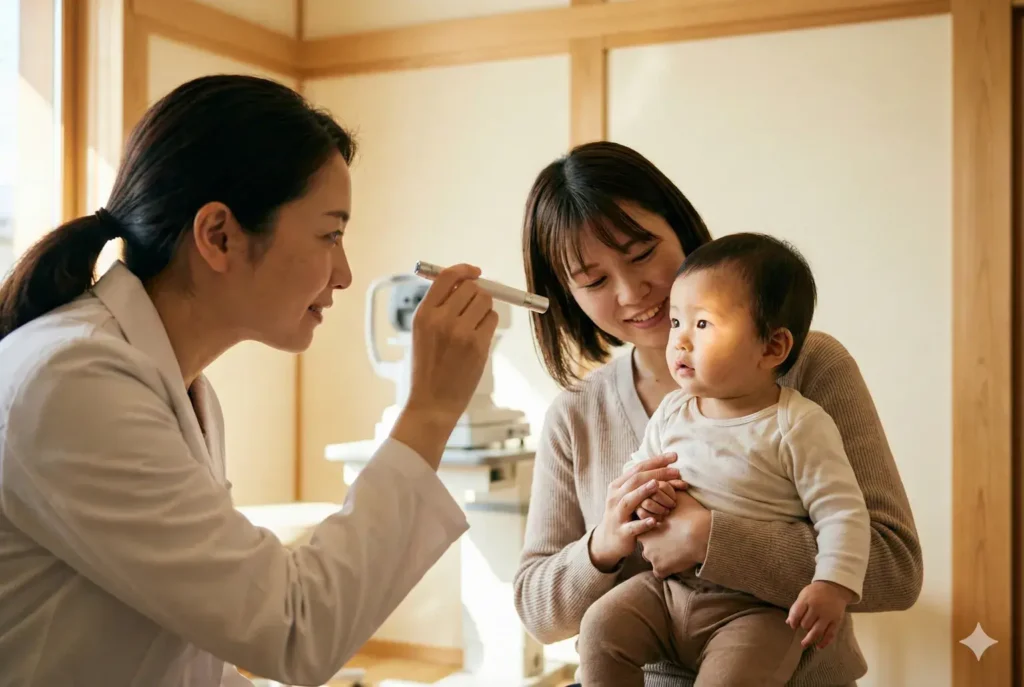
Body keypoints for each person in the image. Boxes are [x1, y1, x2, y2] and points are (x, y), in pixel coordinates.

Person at [0, 75, 499, 687]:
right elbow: (294, 630)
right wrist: (428, 411)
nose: (343, 274)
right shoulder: (73, 381)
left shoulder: (176, 385)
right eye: (330, 234)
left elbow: (190, 654)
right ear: (219, 235)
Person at [513, 141, 922, 687]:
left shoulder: (808, 367)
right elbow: (539, 613)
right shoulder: (575, 415)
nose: (633, 292)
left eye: (640, 254)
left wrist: (714, 541)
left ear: (681, 228)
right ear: (567, 296)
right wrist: (604, 544)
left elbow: (895, 569)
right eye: (593, 281)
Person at [575, 233, 871, 686]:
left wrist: (832, 584)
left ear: (772, 348)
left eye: (703, 325)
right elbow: (641, 470)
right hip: (667, 589)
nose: (679, 342)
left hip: (756, 608)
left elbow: (843, 513)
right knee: (600, 628)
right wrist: (641, 502)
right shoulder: (674, 409)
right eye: (676, 322)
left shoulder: (797, 425)